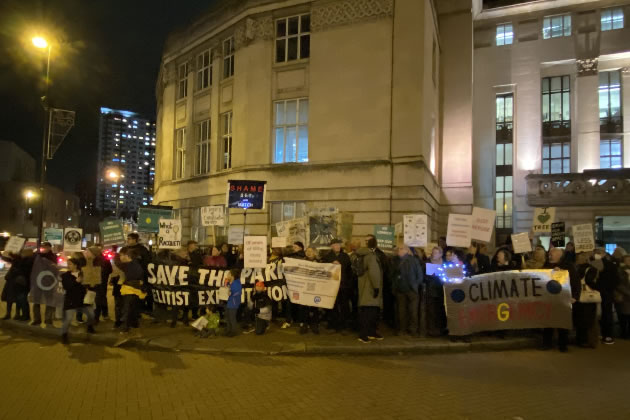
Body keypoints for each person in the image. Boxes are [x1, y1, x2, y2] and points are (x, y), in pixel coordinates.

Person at [542, 247, 580, 352]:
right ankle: (547, 343)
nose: (550, 254)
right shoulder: (546, 265)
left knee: (562, 322)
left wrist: (575, 296)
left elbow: (576, 282)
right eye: (550, 252)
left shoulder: (568, 266)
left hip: (563, 298)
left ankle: (563, 345)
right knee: (548, 322)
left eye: (552, 252)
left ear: (559, 255)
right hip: (549, 298)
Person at [60, 257, 96, 344]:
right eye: (68, 264)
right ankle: (64, 335)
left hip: (84, 300)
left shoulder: (83, 273)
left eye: (70, 264)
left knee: (91, 315)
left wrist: (90, 285)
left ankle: (89, 327)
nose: (68, 266)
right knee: (68, 319)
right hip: (71, 300)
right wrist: (76, 281)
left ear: (75, 265)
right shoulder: (65, 276)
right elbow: (67, 287)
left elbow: (91, 284)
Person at [355, 236, 383, 343]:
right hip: (370, 287)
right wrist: (376, 287)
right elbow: (374, 272)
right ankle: (364, 334)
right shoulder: (371, 256)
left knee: (366, 311)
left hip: (363, 285)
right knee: (370, 313)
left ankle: (369, 332)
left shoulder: (360, 254)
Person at [321, 239, 352, 334]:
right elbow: (323, 269)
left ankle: (343, 325)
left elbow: (349, 270)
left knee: (343, 306)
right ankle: (333, 324)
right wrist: (331, 265)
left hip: (343, 285)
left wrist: (340, 265)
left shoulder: (345, 256)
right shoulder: (327, 257)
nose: (337, 246)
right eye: (335, 245)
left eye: (338, 245)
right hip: (331, 286)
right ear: (331, 246)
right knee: (332, 305)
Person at [391, 245, 423, 336]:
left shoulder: (411, 260)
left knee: (408, 311)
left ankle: (407, 330)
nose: (398, 250)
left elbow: (419, 275)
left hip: (407, 289)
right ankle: (409, 330)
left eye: (401, 248)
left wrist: (415, 285)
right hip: (406, 289)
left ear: (406, 250)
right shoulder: (398, 260)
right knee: (405, 311)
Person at [590, 247, 620, 344]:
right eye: (596, 252)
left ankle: (606, 334)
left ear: (604, 254)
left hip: (603, 292)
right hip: (603, 292)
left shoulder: (607, 265)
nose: (597, 254)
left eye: (599, 252)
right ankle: (604, 334)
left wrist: (599, 287)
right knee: (604, 313)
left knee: (605, 313)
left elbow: (615, 280)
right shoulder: (593, 263)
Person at [118, 247, 146, 334]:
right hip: (132, 289)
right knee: (132, 308)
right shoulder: (133, 264)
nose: (120, 257)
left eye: (121, 255)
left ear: (127, 256)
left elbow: (133, 277)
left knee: (128, 308)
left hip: (131, 289)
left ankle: (125, 327)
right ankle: (134, 324)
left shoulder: (133, 266)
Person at [574, 252, 599, 348]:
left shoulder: (587, 269)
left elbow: (589, 281)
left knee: (584, 319)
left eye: (580, 258)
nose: (578, 259)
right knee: (585, 319)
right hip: (584, 298)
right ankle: (583, 339)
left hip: (584, 296)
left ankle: (584, 339)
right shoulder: (588, 268)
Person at [1, 249, 33, 321]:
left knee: (19, 299)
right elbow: (10, 260)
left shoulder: (27, 260)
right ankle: (12, 314)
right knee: (12, 298)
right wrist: (5, 255)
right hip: (13, 281)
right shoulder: (20, 259)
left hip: (20, 283)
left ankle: (21, 315)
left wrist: (13, 255)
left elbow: (20, 265)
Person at [83, 246, 112, 323]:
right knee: (94, 301)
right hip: (94, 284)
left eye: (87, 251)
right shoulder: (91, 260)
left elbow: (106, 271)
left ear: (93, 253)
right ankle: (95, 317)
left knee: (97, 301)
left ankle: (96, 318)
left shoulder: (102, 262)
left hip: (99, 285)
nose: (86, 253)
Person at [126, 233, 152, 313]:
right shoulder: (126, 249)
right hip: (129, 276)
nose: (127, 240)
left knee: (140, 292)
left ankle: (143, 308)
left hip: (140, 275)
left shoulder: (142, 249)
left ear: (135, 240)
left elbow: (147, 261)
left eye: (129, 238)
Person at [425, 246, 447, 336]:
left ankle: (441, 329)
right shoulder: (427, 262)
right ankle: (431, 330)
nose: (434, 254)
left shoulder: (445, 263)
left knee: (441, 311)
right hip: (431, 290)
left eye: (436, 253)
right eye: (433, 252)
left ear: (441, 254)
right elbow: (425, 276)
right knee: (431, 311)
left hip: (442, 291)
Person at [615, 255, 630, 339]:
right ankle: (623, 333)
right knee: (624, 316)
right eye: (627, 260)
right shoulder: (620, 271)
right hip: (624, 296)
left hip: (627, 296)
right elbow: (619, 284)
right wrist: (628, 292)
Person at [225, 268, 242, 337]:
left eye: (228, 274)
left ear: (232, 275)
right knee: (228, 317)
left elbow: (238, 292)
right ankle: (229, 330)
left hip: (233, 303)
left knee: (232, 318)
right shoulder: (229, 283)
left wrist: (230, 293)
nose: (227, 275)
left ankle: (233, 331)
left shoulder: (237, 283)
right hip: (229, 303)